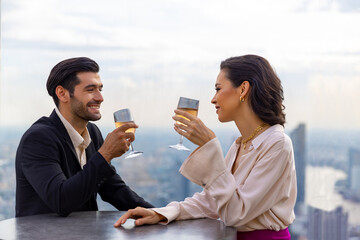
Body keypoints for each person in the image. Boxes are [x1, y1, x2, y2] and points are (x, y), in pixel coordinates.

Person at [114, 55, 296, 240]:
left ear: (243, 89)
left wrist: (210, 146)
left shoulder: (277, 144)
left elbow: (235, 215)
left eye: (218, 89)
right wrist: (162, 213)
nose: (213, 99)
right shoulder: (241, 143)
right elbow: (213, 201)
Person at [15, 57, 154, 217]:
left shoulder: (93, 132)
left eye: (100, 89)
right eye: (90, 90)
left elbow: (113, 189)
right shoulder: (38, 138)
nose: (100, 98)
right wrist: (106, 154)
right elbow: (61, 200)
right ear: (62, 93)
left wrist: (160, 214)